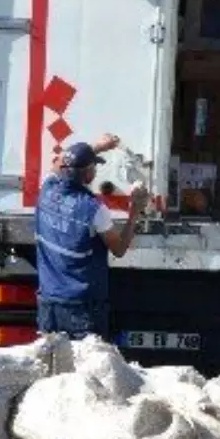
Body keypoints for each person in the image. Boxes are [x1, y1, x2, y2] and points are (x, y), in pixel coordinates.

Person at [34, 136, 148, 340]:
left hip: (48, 302)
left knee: (52, 364)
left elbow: (60, 162)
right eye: (94, 167)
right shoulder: (93, 209)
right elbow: (119, 249)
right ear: (87, 174)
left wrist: (95, 148)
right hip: (82, 307)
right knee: (86, 368)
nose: (96, 171)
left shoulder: (46, 189)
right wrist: (134, 213)